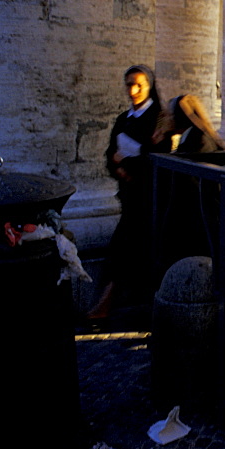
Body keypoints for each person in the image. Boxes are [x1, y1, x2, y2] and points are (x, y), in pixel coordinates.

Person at [88, 65, 172, 320]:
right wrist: (118, 169)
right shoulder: (123, 119)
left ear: (149, 86)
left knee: (125, 249)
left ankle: (105, 304)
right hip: (128, 195)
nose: (133, 90)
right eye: (128, 84)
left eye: (139, 84)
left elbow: (160, 158)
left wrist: (128, 165)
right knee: (127, 249)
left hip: (148, 198)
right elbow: (110, 153)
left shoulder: (158, 118)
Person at [152, 94, 225, 265]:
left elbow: (185, 182)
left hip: (195, 220)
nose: (166, 119)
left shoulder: (198, 139)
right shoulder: (190, 137)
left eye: (170, 115)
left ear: (179, 117)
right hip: (190, 217)